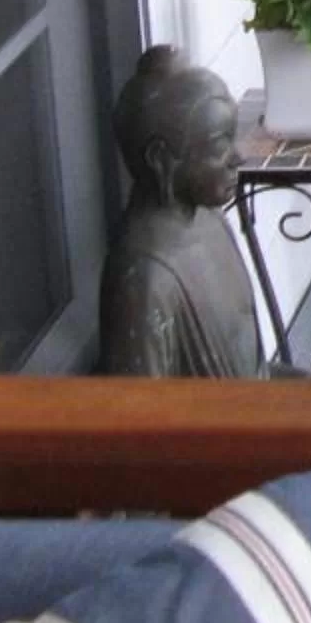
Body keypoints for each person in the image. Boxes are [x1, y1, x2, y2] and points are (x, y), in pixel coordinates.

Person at [97, 46, 267, 377]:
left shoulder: (208, 218)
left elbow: (258, 380)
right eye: (219, 146)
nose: (237, 158)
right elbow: (141, 419)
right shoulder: (145, 278)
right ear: (161, 160)